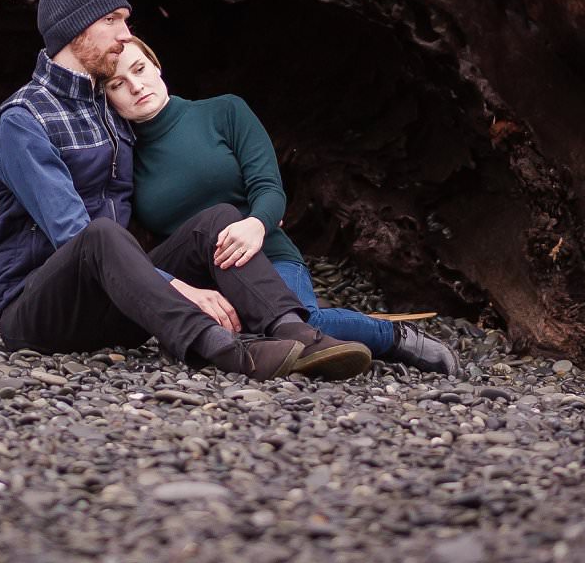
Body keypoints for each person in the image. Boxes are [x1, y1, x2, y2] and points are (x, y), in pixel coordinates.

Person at [0, 0, 374, 381]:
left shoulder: (107, 106)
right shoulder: (22, 121)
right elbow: (72, 233)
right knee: (98, 234)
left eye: (126, 21)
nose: (125, 35)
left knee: (218, 219)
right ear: (74, 29)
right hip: (40, 312)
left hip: (118, 299)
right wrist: (180, 288)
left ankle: (295, 333)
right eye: (111, 20)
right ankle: (221, 348)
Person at [105, 36, 460, 376]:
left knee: (298, 321)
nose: (135, 87)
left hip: (265, 253)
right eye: (117, 84)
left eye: (138, 69)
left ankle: (394, 337)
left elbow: (269, 188)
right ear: (108, 99)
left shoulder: (224, 111)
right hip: (198, 278)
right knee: (246, 334)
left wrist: (256, 223)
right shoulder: (121, 158)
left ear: (156, 65)